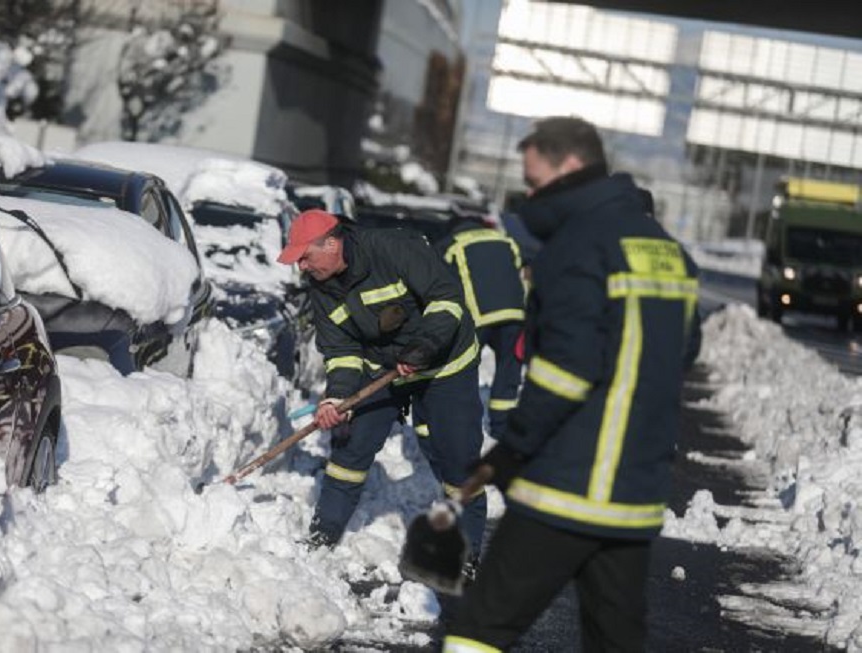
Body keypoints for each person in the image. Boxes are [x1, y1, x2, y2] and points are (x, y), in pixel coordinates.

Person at [443, 116, 702, 652]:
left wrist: (513, 449)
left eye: (534, 182)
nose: (530, 195)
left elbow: (568, 367)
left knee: (477, 632)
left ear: (571, 167)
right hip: (634, 496)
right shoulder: (669, 254)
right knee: (615, 642)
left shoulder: (578, 246)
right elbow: (683, 352)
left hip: (568, 486)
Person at [277, 209, 487, 565]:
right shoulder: (322, 287)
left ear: (331, 243)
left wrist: (423, 347)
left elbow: (448, 299)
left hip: (445, 364)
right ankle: (321, 538)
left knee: (458, 460)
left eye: (306, 257)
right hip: (384, 369)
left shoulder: (394, 248)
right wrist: (338, 397)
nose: (303, 268)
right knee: (350, 449)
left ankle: (465, 554)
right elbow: (341, 350)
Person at [434, 215, 527, 440]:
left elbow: (437, 284)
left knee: (460, 371)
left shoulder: (451, 245)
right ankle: (501, 427)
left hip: (478, 317)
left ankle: (457, 425)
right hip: (515, 314)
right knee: (509, 371)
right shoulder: (507, 241)